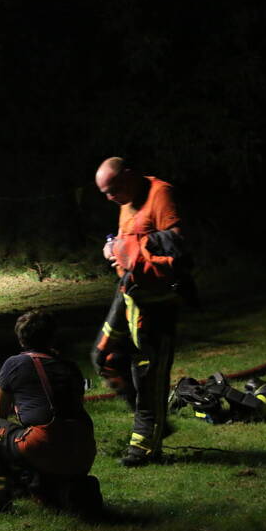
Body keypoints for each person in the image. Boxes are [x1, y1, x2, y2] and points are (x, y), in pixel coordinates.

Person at [90, 156, 186, 467]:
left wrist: (129, 248)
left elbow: (177, 244)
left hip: (156, 300)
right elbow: (127, 238)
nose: (110, 197)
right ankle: (155, 420)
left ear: (130, 175)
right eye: (105, 193)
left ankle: (145, 446)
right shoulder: (125, 199)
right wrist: (113, 246)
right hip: (128, 292)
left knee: (147, 371)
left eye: (113, 189)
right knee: (103, 357)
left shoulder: (160, 194)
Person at [0, 310, 99, 515]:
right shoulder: (70, 366)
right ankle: (54, 490)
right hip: (83, 448)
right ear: (52, 336)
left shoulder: (15, 364)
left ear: (21, 339)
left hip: (45, 443)